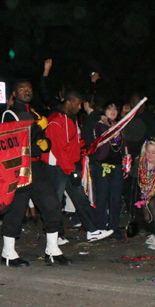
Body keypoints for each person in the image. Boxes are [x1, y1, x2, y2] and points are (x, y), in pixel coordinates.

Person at [0, 79, 69, 267]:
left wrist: (45, 144)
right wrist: (38, 129)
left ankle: (52, 249)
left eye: (29, 88)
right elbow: (17, 138)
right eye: (22, 88)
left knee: (52, 204)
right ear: (14, 93)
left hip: (37, 168)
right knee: (16, 209)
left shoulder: (35, 113)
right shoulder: (10, 114)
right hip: (20, 168)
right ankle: (8, 252)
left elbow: (41, 140)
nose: (26, 91)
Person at [45, 90, 111, 243]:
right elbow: (58, 149)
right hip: (58, 167)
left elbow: (74, 141)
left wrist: (86, 148)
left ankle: (92, 230)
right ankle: (56, 235)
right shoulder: (55, 120)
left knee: (81, 198)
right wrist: (71, 171)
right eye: (78, 103)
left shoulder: (70, 118)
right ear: (69, 102)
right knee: (56, 202)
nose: (80, 107)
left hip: (68, 166)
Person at [86, 101, 128, 240]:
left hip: (117, 166)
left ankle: (113, 228)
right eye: (110, 108)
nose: (113, 111)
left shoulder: (119, 125)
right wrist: (105, 121)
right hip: (103, 165)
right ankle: (101, 227)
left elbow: (123, 144)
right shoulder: (99, 125)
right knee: (102, 197)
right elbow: (103, 136)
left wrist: (126, 160)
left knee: (115, 199)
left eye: (115, 108)